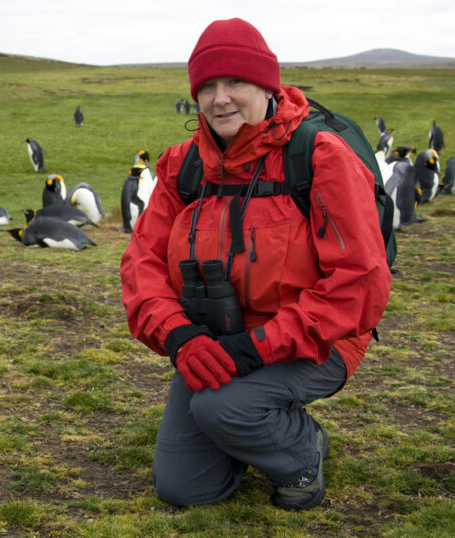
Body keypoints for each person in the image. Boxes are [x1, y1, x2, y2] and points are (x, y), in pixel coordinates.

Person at [120, 18, 391, 511]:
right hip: (215, 338)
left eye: (235, 83)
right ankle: (250, 429)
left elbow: (360, 283)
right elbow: (142, 265)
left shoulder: (318, 157)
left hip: (315, 339)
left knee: (223, 405)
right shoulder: (183, 166)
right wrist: (180, 336)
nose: (220, 98)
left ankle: (302, 451)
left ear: (267, 85)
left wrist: (256, 349)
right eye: (207, 86)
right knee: (183, 488)